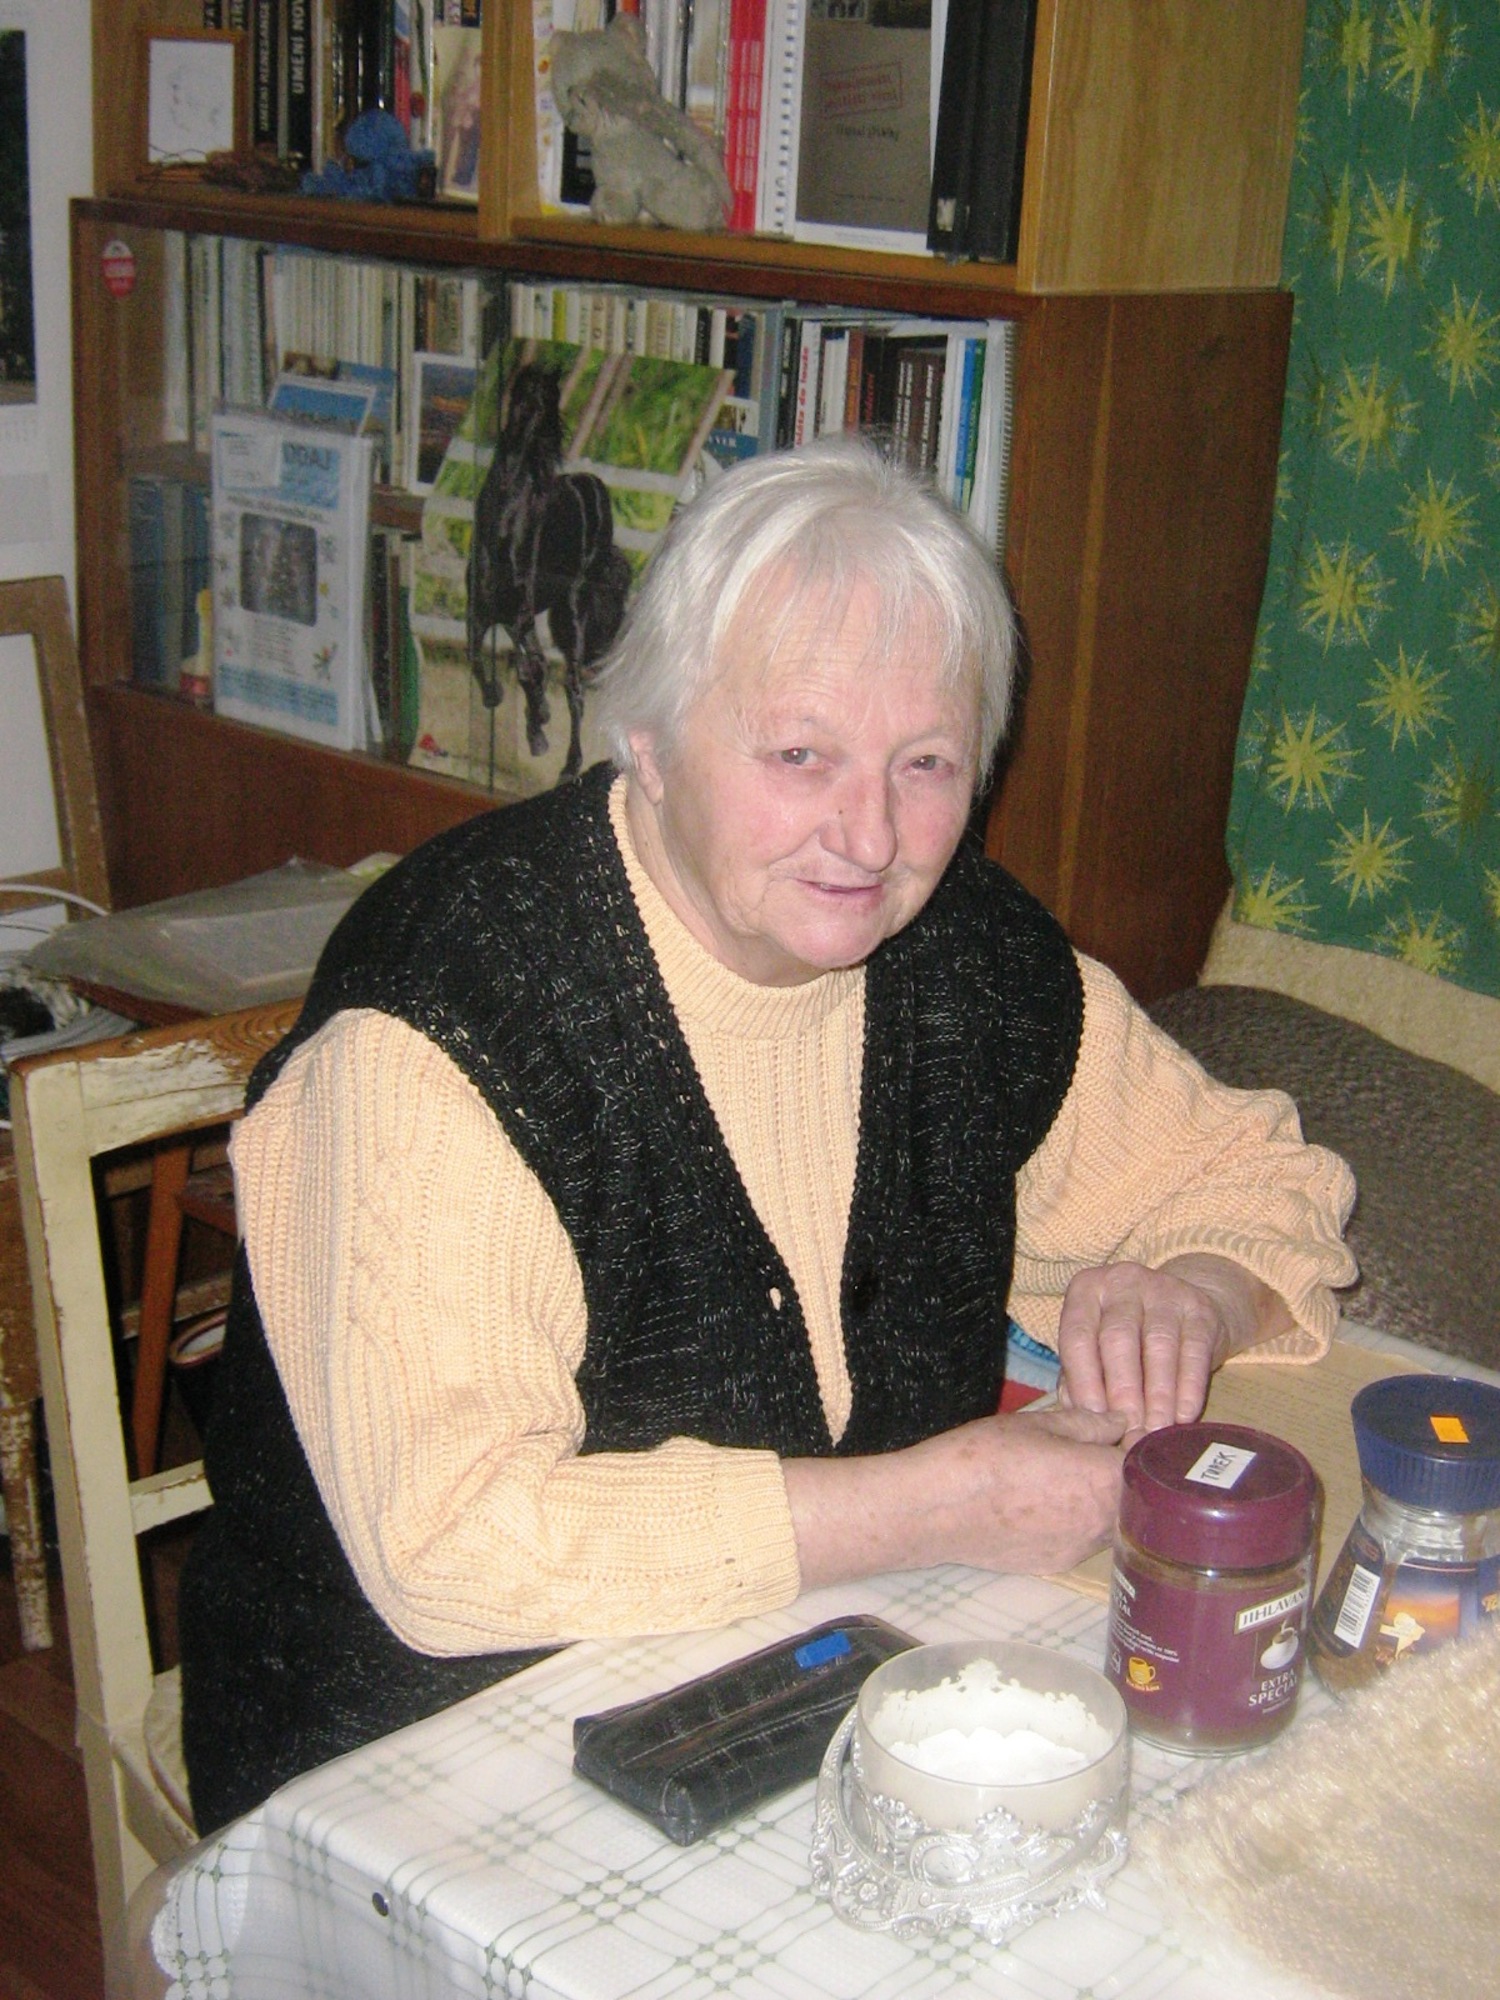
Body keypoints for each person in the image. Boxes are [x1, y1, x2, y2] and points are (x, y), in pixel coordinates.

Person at [179, 439, 1355, 1833]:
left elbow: (1255, 1179)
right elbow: (453, 1550)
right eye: (801, 756)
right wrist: (928, 1506)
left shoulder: (964, 958)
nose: (870, 836)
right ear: (650, 740)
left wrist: (1194, 1295)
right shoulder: (448, 1023)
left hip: (807, 1680)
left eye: (926, 763)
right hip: (417, 1755)